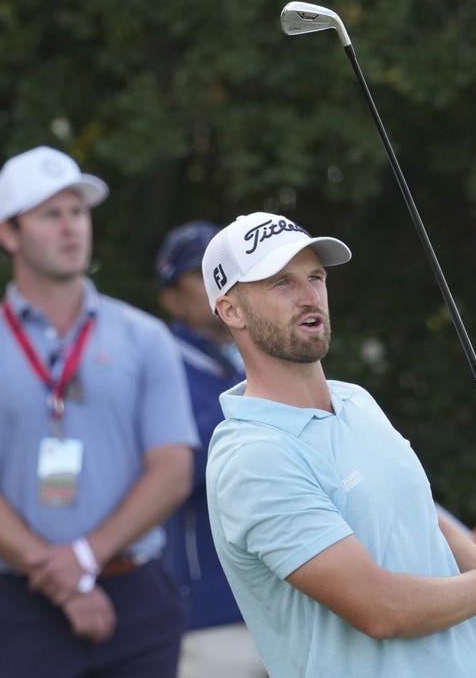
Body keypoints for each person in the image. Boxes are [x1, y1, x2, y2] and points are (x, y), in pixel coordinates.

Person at [200, 211, 476, 678]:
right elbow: (381, 610)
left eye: (315, 277)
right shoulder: (253, 458)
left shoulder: (355, 400)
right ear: (231, 310)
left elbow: (424, 523)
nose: (309, 297)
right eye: (282, 283)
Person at [0, 145, 199, 677]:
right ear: (8, 233)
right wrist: (66, 579)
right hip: (23, 603)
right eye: (50, 215)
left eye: (78, 212)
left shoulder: (145, 338)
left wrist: (84, 559)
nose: (71, 228)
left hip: (139, 593)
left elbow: (173, 470)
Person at [153, 221, 266, 678]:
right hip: (209, 608)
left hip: (291, 596)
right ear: (171, 299)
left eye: (222, 270)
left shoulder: (264, 352)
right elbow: (181, 466)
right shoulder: (159, 361)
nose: (216, 283)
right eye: (197, 276)